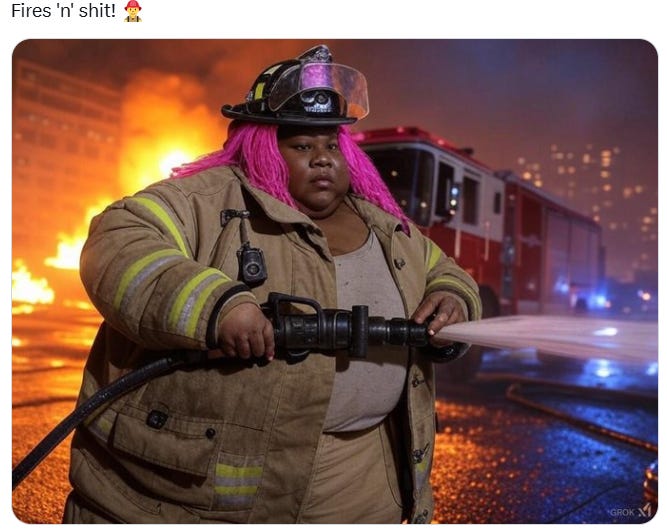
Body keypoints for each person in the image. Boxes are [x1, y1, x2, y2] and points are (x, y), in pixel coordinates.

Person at [62, 44, 481, 524]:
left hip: (362, 488)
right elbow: (118, 242)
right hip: (194, 503)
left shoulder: (388, 228)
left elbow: (445, 271)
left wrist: (452, 297)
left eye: (332, 146)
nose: (322, 160)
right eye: (302, 146)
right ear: (261, 146)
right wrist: (215, 306)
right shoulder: (206, 201)